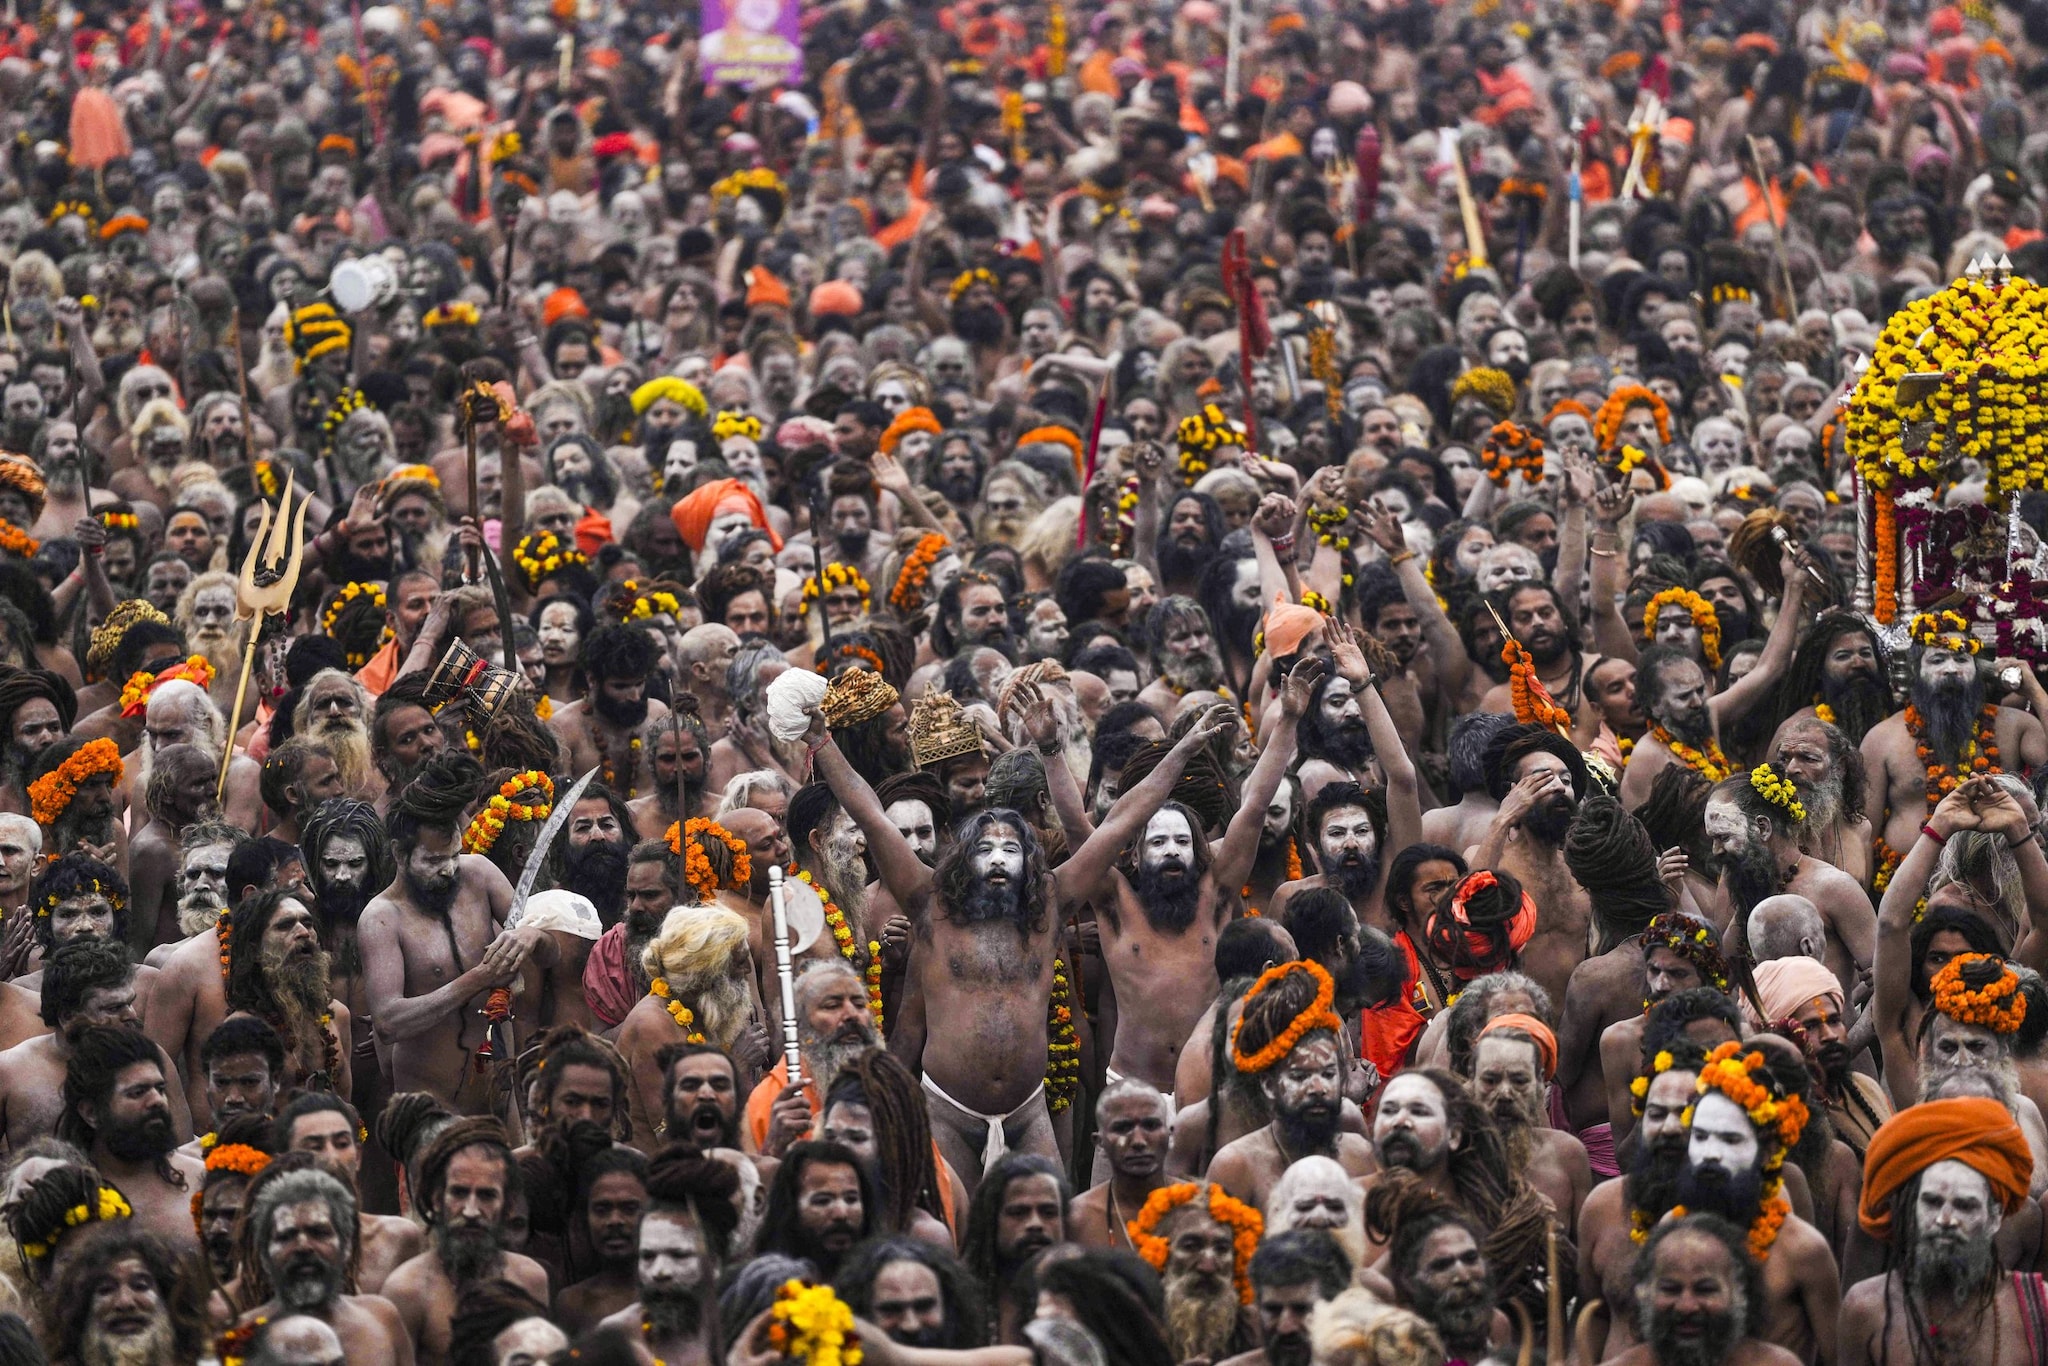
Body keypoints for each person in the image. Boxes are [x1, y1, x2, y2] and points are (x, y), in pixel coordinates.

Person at [358, 755, 554, 1111]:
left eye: (453, 855)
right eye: (433, 861)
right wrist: (480, 978)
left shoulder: (478, 873)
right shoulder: (381, 918)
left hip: (498, 1095)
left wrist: (534, 937)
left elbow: (550, 955)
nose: (449, 870)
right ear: (400, 855)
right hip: (428, 1105)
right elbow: (388, 1023)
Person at [1840, 1097, 2037, 1366]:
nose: (1946, 1219)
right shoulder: (1865, 1310)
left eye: (1965, 1205)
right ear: (1911, 1212)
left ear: (1994, 1218)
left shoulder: (2038, 1308)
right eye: (1932, 1202)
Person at [378, 1119, 550, 1366]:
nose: (471, 1211)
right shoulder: (407, 1291)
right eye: (459, 1193)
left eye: (486, 1195)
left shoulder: (531, 1279)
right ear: (437, 1199)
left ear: (508, 1205)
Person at [1206, 961, 1375, 1211]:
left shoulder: (1359, 1155)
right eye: (1299, 1076)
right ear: (1269, 1085)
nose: (1318, 1088)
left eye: (1328, 1074)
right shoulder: (1236, 1166)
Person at [230, 1163, 413, 1366]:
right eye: (287, 1235)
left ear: (347, 1247)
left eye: (318, 1232)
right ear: (264, 1254)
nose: (303, 1246)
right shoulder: (240, 1340)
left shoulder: (381, 1319)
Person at [1069, 1078, 1173, 1252]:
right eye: (1123, 1128)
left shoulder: (1200, 1205)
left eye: (1150, 1125)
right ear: (1099, 1142)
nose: (1139, 1141)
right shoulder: (1076, 1218)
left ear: (1170, 1134)